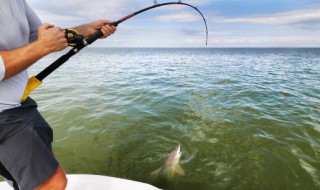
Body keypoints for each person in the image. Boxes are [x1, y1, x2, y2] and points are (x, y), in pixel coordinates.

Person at [0, 0, 117, 189]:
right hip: (2, 115)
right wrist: (42, 47)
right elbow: (41, 44)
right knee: (53, 183)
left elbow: (37, 36)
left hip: (21, 103)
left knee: (46, 162)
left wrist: (85, 30)